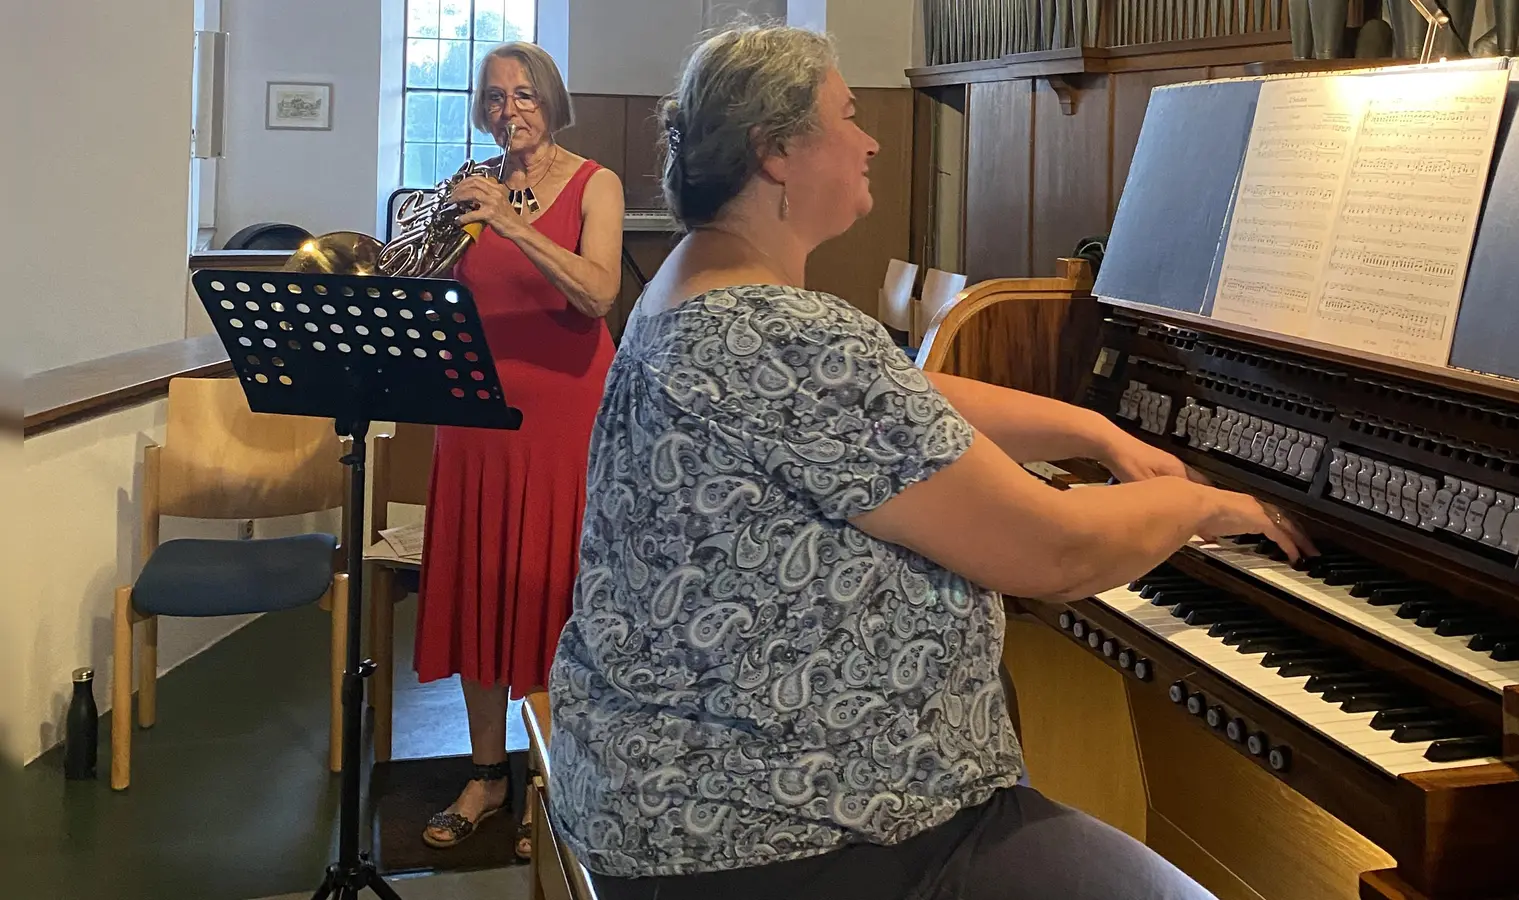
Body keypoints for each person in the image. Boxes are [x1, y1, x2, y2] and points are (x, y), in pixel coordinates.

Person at [544, 23, 1315, 900]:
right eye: (846, 115)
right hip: (804, 831)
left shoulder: (697, 289)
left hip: (680, 795)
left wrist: (1098, 434)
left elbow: (903, 403)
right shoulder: (782, 332)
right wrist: (1204, 509)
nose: (872, 137)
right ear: (775, 153)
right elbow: (1055, 554)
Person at [414, 40, 624, 861]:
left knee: (552, 592)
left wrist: (507, 219)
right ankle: (487, 771)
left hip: (565, 416)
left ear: (553, 101)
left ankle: (556, 778)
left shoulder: (593, 183)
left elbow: (599, 291)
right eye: (496, 97)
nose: (511, 110)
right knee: (481, 582)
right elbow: (440, 295)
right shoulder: (470, 189)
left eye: (526, 94)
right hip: (474, 418)